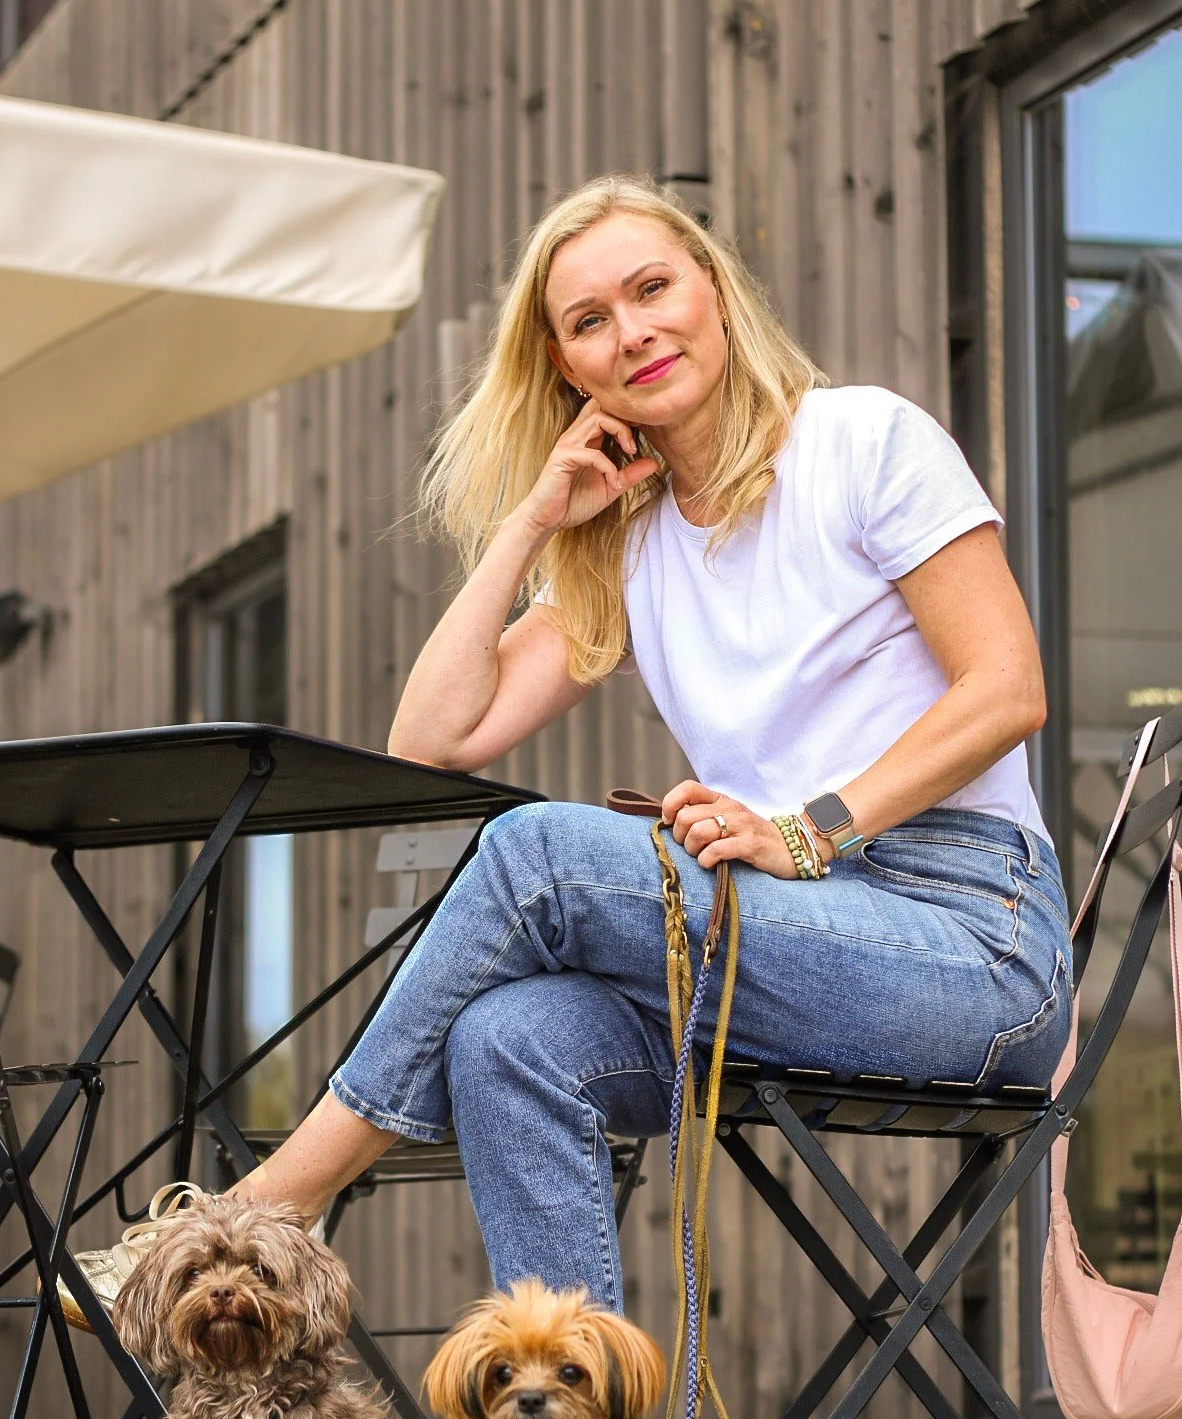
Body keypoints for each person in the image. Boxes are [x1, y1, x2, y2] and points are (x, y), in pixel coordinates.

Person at [64, 174, 1070, 1322]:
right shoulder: (631, 547)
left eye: (653, 289)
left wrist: (808, 828)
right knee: (505, 1038)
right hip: (782, 945)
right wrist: (536, 520)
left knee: (535, 848)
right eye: (591, 321)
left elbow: (1008, 689)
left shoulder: (864, 440)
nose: (633, 330)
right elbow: (433, 737)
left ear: (716, 291)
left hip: (972, 948)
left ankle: (260, 1212)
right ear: (567, 370)